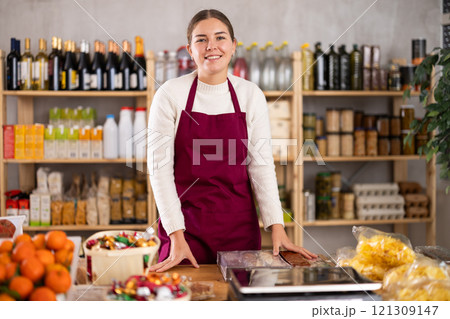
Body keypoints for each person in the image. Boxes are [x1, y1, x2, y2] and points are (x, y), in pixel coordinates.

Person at [148, 9, 317, 272]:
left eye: (220, 37)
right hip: (184, 232)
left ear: (233, 46)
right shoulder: (169, 95)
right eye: (201, 39)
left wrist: (277, 226)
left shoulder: (251, 95)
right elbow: (159, 171)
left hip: (239, 233)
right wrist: (176, 235)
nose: (211, 46)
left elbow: (261, 167)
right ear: (190, 50)